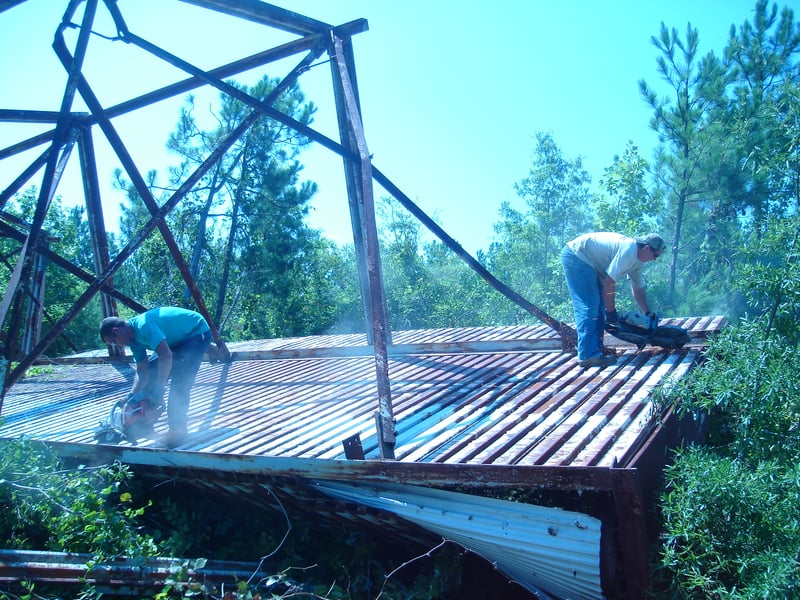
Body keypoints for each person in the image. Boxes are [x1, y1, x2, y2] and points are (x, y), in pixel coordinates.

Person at [99, 307, 212, 447]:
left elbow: (166, 355)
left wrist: (160, 387)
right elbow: (142, 370)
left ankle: (178, 429)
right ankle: (143, 425)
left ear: (116, 331)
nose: (117, 345)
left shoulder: (144, 326)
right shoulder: (133, 341)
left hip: (195, 332)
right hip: (175, 340)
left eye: (113, 342)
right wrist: (132, 395)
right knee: (152, 371)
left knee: (180, 381)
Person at [561, 232, 665, 368]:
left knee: (599, 308)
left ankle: (595, 351)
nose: (655, 259)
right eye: (655, 255)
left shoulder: (638, 262)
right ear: (646, 248)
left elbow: (638, 289)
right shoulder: (629, 251)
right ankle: (587, 355)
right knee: (589, 306)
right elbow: (609, 284)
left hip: (590, 263)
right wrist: (611, 312)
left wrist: (646, 312)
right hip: (577, 256)